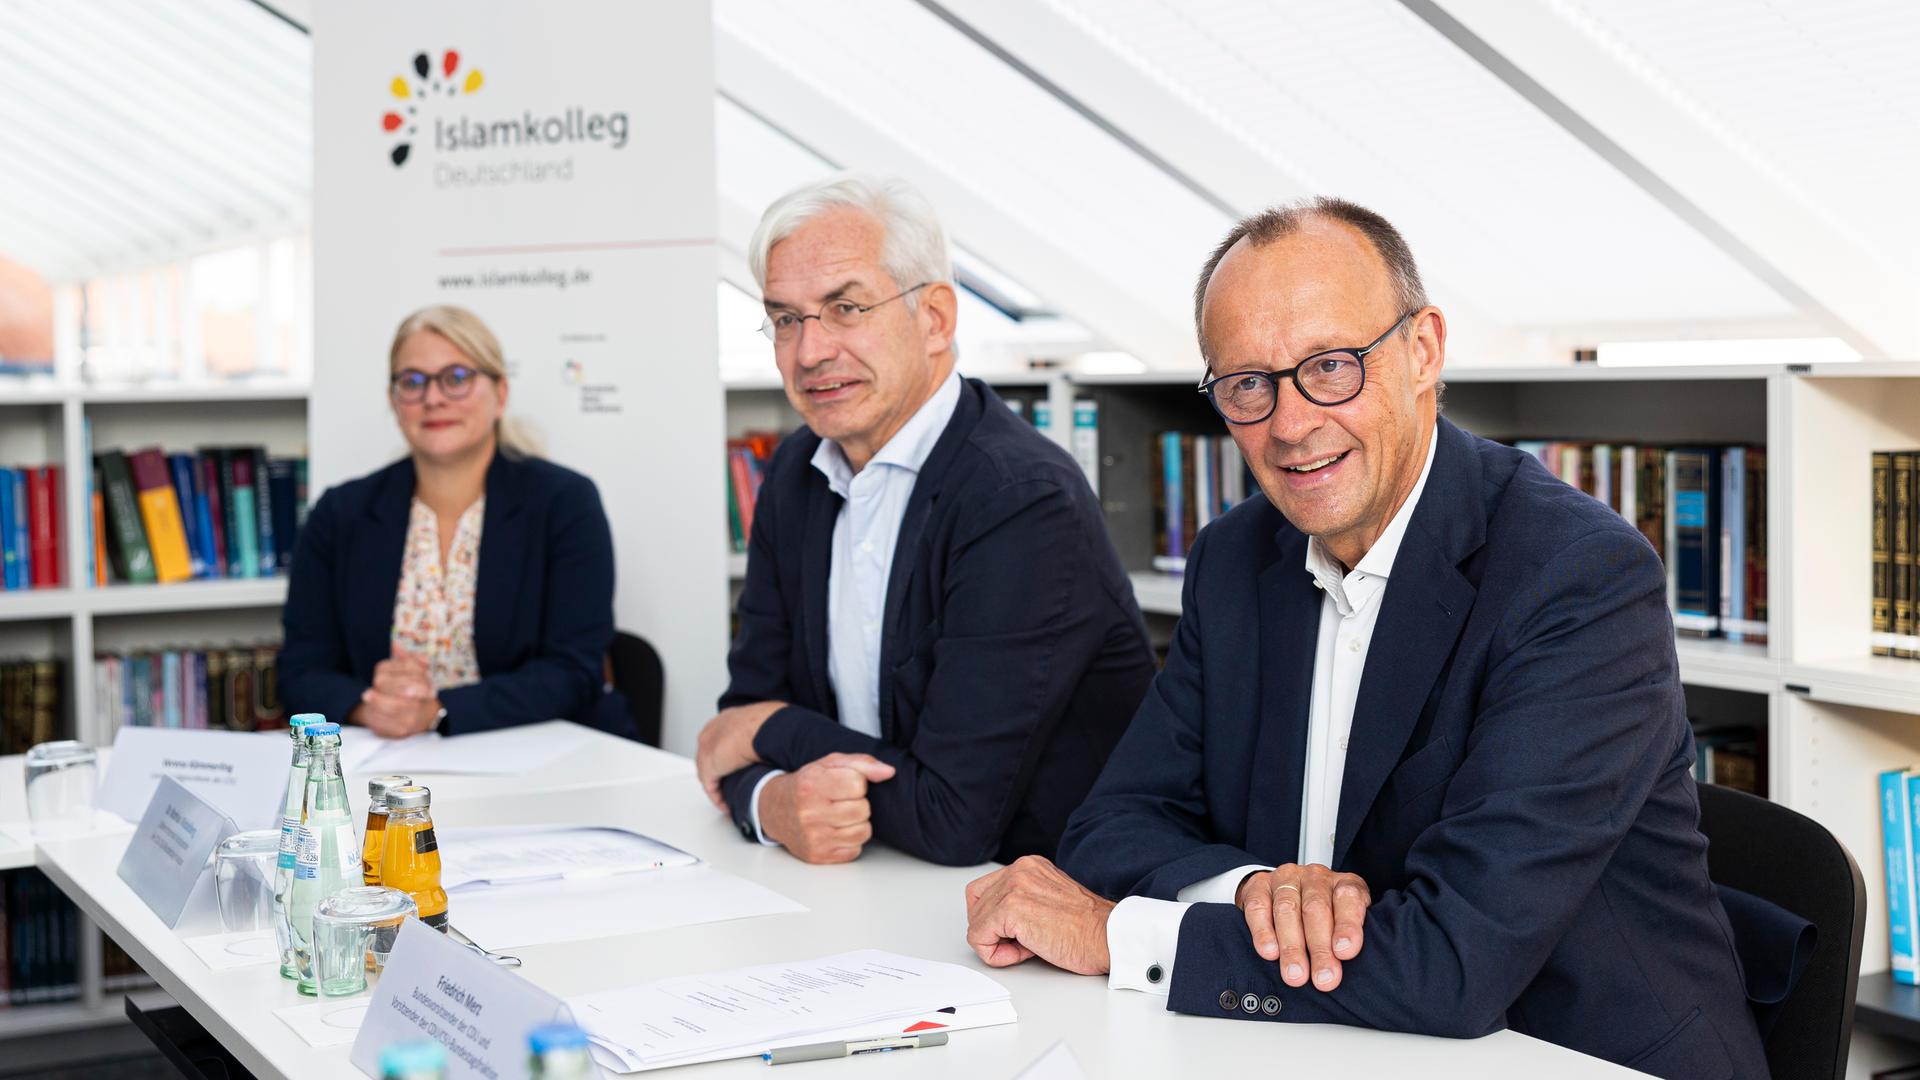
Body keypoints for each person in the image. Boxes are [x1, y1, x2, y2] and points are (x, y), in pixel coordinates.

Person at [961, 199, 1771, 1078]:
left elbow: (1453, 966)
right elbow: (1112, 825)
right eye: (1247, 384)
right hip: (1318, 1042)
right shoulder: (1237, 559)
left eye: (1332, 367)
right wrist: (1256, 893)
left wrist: (1121, 935)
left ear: (1423, 351)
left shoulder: (1577, 577)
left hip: (1566, 1054)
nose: (1290, 423)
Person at [695, 174, 1155, 867]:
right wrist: (772, 804)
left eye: (845, 307)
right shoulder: (796, 472)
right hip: (870, 884)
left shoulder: (1021, 500)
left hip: (1037, 909)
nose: (809, 352)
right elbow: (739, 727)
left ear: (936, 318)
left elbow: (953, 818)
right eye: (785, 319)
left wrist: (775, 732)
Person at [278, 304, 634, 739]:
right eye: (412, 382)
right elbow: (299, 669)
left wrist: (438, 711)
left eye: (457, 378)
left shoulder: (564, 503)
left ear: (500, 394)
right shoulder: (340, 514)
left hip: (539, 755)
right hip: (389, 761)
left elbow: (574, 671)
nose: (433, 398)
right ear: (394, 400)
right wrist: (366, 707)